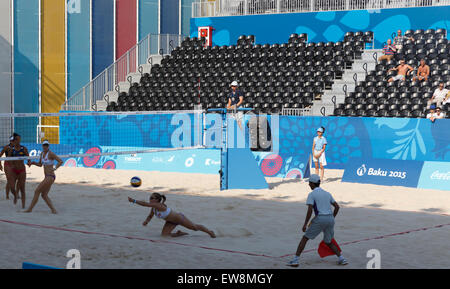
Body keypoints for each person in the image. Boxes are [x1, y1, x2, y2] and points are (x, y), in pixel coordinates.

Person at [287, 174, 348, 267]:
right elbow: (337, 207)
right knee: (329, 241)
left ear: (312, 183)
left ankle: (295, 260)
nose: (308, 185)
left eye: (309, 183)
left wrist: (305, 224)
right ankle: (342, 259)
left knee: (305, 238)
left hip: (320, 218)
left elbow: (310, 210)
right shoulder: (327, 193)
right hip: (330, 219)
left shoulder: (312, 194)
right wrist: (332, 218)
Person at [128, 192, 216, 238]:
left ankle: (210, 232)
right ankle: (180, 233)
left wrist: (134, 201)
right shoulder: (153, 208)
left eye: (152, 198)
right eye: (150, 197)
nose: (150, 199)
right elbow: (150, 215)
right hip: (170, 221)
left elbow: (144, 204)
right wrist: (146, 221)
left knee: (195, 228)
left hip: (179, 218)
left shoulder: (158, 205)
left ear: (157, 200)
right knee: (164, 236)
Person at [25, 140, 63, 214]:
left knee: (37, 191)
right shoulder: (42, 154)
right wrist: (32, 163)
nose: (45, 146)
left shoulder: (51, 154)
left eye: (46, 145)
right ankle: (53, 210)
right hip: (47, 177)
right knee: (44, 195)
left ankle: (30, 209)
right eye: (44, 145)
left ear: (48, 146)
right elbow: (40, 164)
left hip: (50, 176)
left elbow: (60, 161)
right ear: (42, 146)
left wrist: (55, 168)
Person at [4, 133, 29, 208]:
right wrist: (11, 165)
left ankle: (23, 206)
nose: (19, 140)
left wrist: (29, 162)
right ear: (14, 140)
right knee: (11, 186)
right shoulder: (10, 149)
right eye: (17, 139)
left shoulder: (23, 148)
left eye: (19, 139)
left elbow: (28, 158)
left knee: (22, 188)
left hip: (21, 170)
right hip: (13, 170)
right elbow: (8, 159)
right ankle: (14, 195)